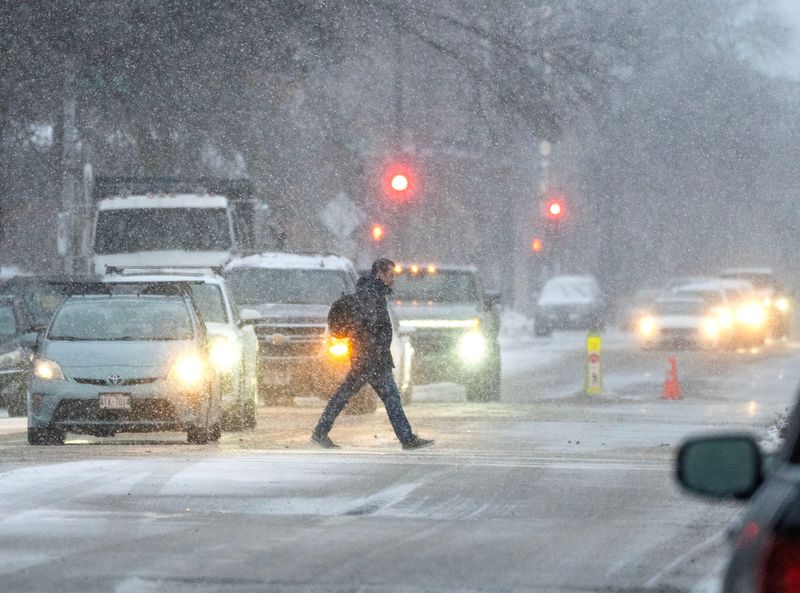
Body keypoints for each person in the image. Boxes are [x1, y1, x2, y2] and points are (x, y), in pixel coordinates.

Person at [312, 257, 434, 450]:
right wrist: (372, 353)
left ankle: (320, 431)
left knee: (347, 395)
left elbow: (368, 328)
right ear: (380, 273)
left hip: (369, 357)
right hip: (371, 359)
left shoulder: (372, 293)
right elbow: (367, 327)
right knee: (387, 398)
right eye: (390, 275)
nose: (393, 279)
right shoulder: (370, 295)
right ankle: (407, 438)